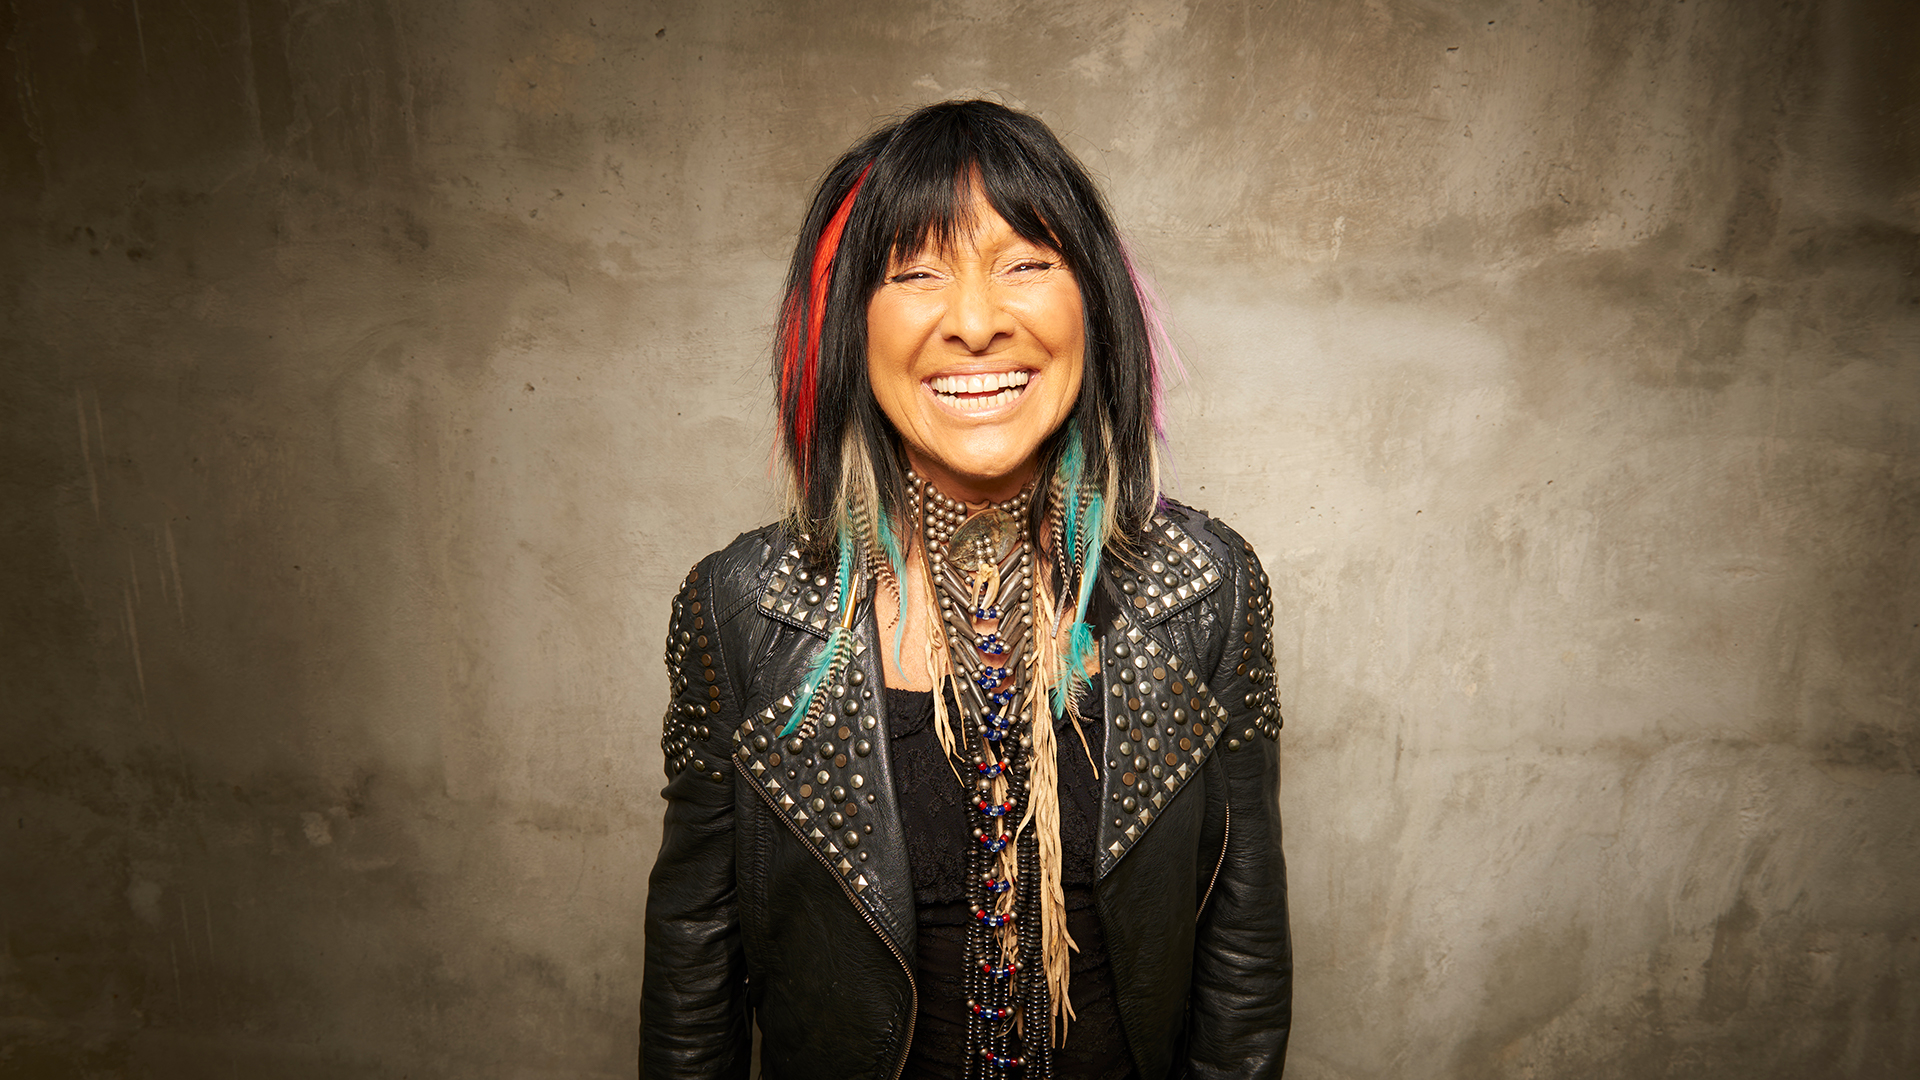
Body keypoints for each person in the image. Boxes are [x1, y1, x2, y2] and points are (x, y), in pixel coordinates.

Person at [643, 100, 1289, 1080]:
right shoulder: (739, 611)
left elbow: (1242, 962)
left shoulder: (1208, 588)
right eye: (915, 273)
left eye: (1027, 263)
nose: (978, 323)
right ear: (849, 322)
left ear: (1095, 302)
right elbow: (695, 965)